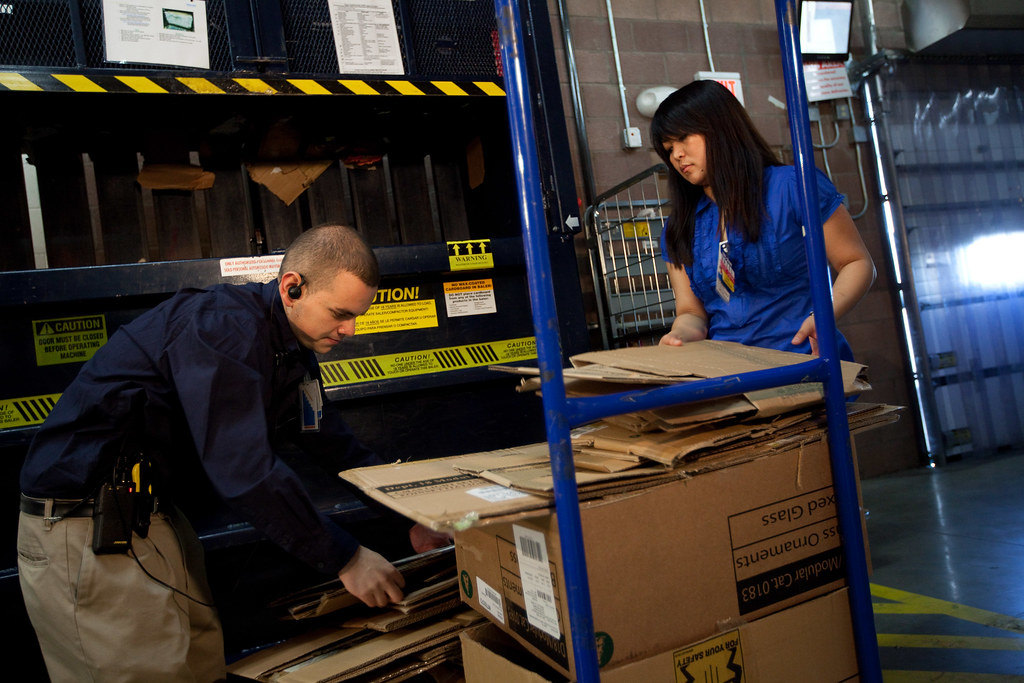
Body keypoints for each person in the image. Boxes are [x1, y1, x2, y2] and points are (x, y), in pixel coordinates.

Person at [17, 224, 450, 682]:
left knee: (200, 663)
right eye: (340, 313)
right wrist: (345, 558)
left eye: (357, 315)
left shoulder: (290, 353)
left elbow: (333, 444)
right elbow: (243, 468)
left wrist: (410, 520)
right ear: (292, 287)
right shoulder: (223, 331)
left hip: (152, 515)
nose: (351, 329)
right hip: (86, 525)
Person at [650, 80, 875, 360]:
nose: (677, 155)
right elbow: (691, 312)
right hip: (731, 374)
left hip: (803, 358)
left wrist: (824, 315)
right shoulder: (679, 227)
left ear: (721, 129)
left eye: (683, 138)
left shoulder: (793, 186)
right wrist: (678, 335)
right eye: (669, 148)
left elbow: (856, 262)